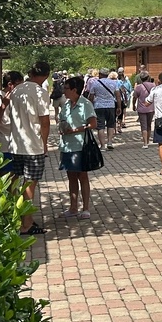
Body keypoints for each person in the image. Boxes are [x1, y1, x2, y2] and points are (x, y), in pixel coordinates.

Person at [8, 61, 53, 236]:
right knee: (30, 185)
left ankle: (14, 217)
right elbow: (45, 121)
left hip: (15, 143)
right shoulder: (40, 92)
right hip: (33, 146)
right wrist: (45, 143)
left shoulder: (16, 90)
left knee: (14, 182)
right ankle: (26, 224)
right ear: (46, 76)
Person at [56, 74, 96, 219]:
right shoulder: (66, 105)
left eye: (66, 88)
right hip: (66, 145)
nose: (64, 91)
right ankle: (73, 208)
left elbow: (93, 124)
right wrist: (61, 128)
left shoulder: (85, 104)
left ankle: (85, 208)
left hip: (80, 145)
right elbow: (62, 120)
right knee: (71, 176)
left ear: (74, 90)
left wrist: (75, 130)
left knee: (82, 176)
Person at [0, 71, 25, 176]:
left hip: (18, 145)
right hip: (4, 145)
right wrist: (4, 105)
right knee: (6, 177)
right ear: (10, 84)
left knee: (16, 177)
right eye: (19, 85)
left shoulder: (18, 98)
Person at [85, 68, 118, 150]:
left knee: (100, 126)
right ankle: (110, 142)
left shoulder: (95, 83)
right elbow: (118, 95)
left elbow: (91, 96)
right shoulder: (113, 83)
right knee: (111, 125)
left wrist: (89, 106)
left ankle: (103, 145)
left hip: (99, 106)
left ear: (100, 74)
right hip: (111, 106)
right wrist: (119, 106)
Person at [133, 72, 156, 148]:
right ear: (148, 77)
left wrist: (133, 105)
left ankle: (145, 143)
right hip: (151, 108)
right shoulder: (153, 85)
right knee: (149, 125)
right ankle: (148, 141)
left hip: (141, 108)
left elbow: (135, 97)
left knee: (143, 126)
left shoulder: (138, 87)